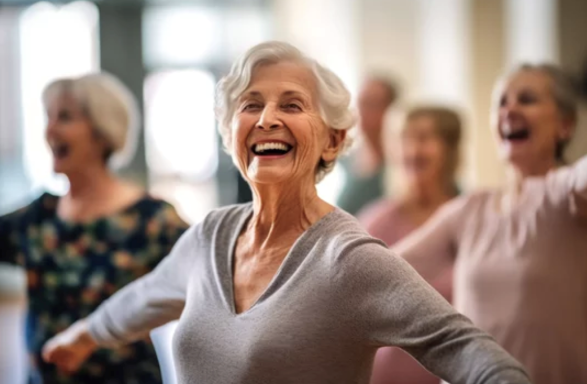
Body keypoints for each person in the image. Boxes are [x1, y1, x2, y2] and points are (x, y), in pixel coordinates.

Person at [42, 42, 531, 384]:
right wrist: (79, 338)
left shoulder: (349, 260)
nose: (267, 118)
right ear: (231, 133)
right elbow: (144, 298)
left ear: (334, 139)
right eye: (250, 104)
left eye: (291, 104)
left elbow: (466, 350)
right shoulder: (209, 236)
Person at [391, 64, 587, 384]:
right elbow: (384, 269)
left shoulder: (567, 194)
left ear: (565, 125)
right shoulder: (471, 208)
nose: (510, 109)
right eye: (501, 102)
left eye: (527, 99)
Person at [0, 73, 189, 384]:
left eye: (65, 117)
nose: (50, 130)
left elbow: (209, 279)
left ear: (102, 131)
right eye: (49, 117)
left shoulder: (152, 220)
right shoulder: (37, 218)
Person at [359, 106, 462, 384]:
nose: (413, 150)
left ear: (449, 148)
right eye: (404, 138)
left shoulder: (471, 217)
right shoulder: (373, 223)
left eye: (425, 138)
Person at [336, 75, 398, 215]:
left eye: (373, 104)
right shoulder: (345, 158)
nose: (362, 111)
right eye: (360, 102)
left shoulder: (403, 161)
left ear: (390, 108)